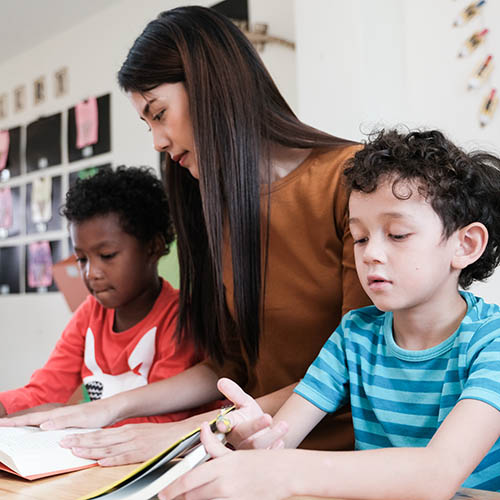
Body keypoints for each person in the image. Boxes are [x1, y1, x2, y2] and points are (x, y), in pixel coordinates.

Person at [0, 6, 369, 465]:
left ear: (212, 87)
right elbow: (229, 366)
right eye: (147, 123)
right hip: (246, 458)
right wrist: (104, 410)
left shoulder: (352, 181)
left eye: (159, 114)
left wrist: (184, 432)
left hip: (345, 462)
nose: (156, 141)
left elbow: (360, 368)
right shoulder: (217, 206)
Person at [159, 129, 500, 500]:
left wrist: (281, 470)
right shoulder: (355, 335)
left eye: (398, 234)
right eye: (361, 237)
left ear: (466, 245)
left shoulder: (491, 341)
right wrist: (257, 441)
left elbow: (436, 475)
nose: (371, 254)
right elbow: (283, 437)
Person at [0, 166, 203, 430]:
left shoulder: (178, 319)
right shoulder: (89, 314)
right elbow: (45, 391)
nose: (91, 273)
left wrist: (76, 419)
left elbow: (164, 418)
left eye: (107, 256)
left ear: (153, 247)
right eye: (82, 259)